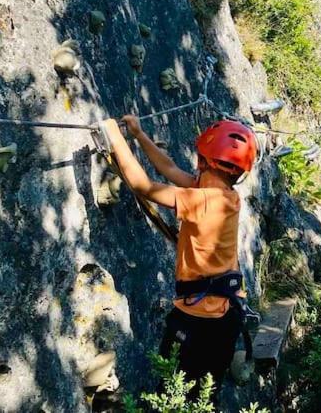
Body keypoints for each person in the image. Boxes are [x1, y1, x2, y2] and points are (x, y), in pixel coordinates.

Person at [101, 115, 259, 406]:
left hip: (200, 321)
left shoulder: (205, 200)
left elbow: (144, 186)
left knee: (171, 389)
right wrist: (138, 134)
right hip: (223, 315)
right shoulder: (225, 195)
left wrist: (113, 135)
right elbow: (170, 168)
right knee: (202, 397)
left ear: (202, 160)